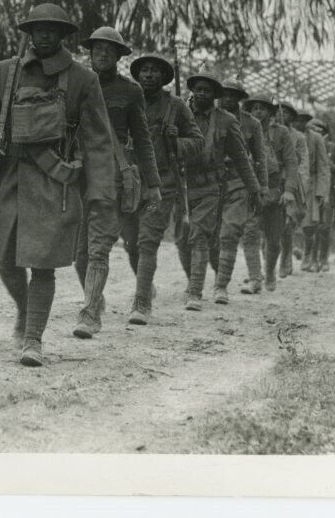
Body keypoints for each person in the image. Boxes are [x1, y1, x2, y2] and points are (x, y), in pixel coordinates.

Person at [0, 4, 117, 367]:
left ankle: (33, 339)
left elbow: (98, 140)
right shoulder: (6, 72)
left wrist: (100, 192)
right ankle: (25, 310)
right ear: (29, 32)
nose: (45, 35)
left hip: (56, 184)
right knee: (6, 261)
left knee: (43, 266)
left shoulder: (84, 80)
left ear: (63, 34)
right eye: (39, 29)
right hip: (8, 180)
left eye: (53, 29)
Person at [72, 27, 162, 339]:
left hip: (112, 174)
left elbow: (143, 139)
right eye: (99, 48)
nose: (104, 53)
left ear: (119, 56)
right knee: (78, 252)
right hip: (76, 174)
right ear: (91, 51)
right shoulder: (75, 84)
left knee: (99, 247)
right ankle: (95, 299)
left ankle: (89, 313)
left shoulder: (130, 91)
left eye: (111, 50)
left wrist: (153, 183)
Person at [126, 53, 202, 325]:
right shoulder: (128, 99)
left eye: (154, 71)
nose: (148, 75)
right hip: (130, 181)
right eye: (144, 70)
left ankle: (141, 302)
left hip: (164, 182)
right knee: (130, 241)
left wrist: (176, 141)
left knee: (148, 240)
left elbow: (197, 141)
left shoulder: (177, 106)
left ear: (163, 77)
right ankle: (145, 285)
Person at [175, 73, 261, 310]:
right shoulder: (179, 113)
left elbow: (242, 158)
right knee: (182, 238)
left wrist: (255, 189)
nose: (202, 93)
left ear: (215, 96)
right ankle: (193, 283)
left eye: (208, 90)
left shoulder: (226, 120)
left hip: (211, 185)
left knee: (201, 234)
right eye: (198, 89)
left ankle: (199, 291)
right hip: (180, 186)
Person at [211, 80, 271, 302]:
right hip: (210, 181)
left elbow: (259, 157)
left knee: (230, 233)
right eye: (224, 94)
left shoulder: (251, 124)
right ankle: (198, 282)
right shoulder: (210, 117)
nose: (228, 99)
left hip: (239, 180)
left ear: (239, 99)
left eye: (233, 95)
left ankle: (221, 287)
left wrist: (262, 187)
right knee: (206, 235)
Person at [242, 95, 299, 294]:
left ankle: (270, 273)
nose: (258, 112)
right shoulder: (244, 129)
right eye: (255, 108)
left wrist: (290, 190)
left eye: (263, 108)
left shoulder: (281, 133)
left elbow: (292, 163)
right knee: (249, 234)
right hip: (251, 187)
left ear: (271, 112)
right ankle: (255, 278)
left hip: (275, 189)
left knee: (274, 238)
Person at [279, 104, 310, 276]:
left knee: (287, 222)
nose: (282, 115)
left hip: (291, 182)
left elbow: (303, 164)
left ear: (292, 117)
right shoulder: (269, 131)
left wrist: (301, 188)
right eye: (279, 112)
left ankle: (285, 258)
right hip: (272, 181)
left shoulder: (298, 137)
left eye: (286, 113)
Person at [303, 116, 334, 273]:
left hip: (331, 191)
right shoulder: (307, 143)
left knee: (325, 227)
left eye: (320, 131)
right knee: (311, 226)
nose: (316, 133)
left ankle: (323, 259)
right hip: (312, 188)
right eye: (313, 129)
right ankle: (311, 258)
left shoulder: (332, 149)